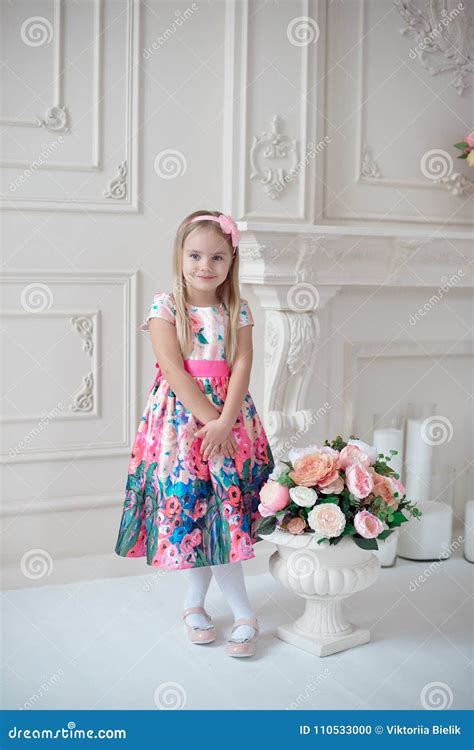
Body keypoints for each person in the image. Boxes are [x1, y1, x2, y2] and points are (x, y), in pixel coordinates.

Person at [115, 210, 275, 657]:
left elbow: (242, 361)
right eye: (196, 255)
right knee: (198, 513)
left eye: (218, 257)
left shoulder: (237, 308)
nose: (206, 265)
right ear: (180, 256)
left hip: (231, 418)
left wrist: (226, 421)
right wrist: (211, 421)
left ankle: (200, 605)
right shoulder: (165, 307)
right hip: (183, 424)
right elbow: (173, 370)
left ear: (231, 261)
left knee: (219, 513)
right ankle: (234, 610)